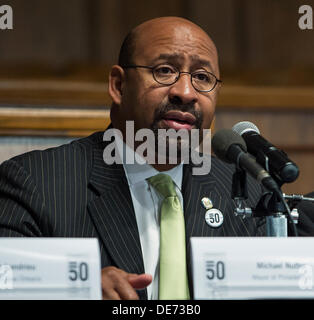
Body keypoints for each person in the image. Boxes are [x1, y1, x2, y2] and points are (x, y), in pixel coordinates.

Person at [0, 17, 313, 300]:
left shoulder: (249, 193)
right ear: (119, 85)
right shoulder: (34, 182)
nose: (186, 92)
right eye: (165, 71)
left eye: (203, 77)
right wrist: (72, 289)